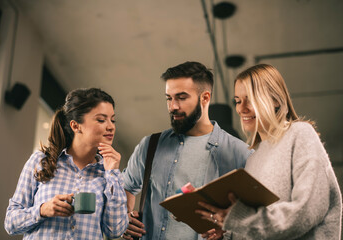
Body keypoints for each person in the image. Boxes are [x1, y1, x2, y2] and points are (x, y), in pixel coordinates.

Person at [196, 64, 342, 240]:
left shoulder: (300, 134)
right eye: (238, 101)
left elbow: (308, 210)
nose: (242, 109)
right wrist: (226, 232)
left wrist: (239, 219)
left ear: (276, 100)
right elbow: (256, 226)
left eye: (250, 99)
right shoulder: (253, 159)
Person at [121, 61, 253, 240]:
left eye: (181, 97)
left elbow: (256, 217)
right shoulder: (150, 145)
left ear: (205, 98)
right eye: (169, 98)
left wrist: (228, 232)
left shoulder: (240, 153)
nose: (173, 106)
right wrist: (124, 217)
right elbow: (126, 187)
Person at [4, 88, 128, 239]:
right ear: (76, 126)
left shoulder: (109, 174)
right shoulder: (41, 161)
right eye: (101, 120)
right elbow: (11, 222)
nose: (111, 126)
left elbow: (115, 231)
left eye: (112, 120)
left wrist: (113, 173)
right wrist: (43, 210)